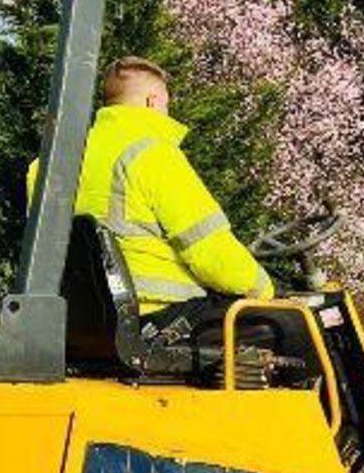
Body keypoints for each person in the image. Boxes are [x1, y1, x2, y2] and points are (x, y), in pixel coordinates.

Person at [29, 56, 273, 356]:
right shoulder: (152, 154)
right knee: (292, 322)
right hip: (157, 318)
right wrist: (266, 290)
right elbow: (210, 252)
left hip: (80, 325)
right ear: (153, 101)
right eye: (167, 105)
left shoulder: (48, 166)